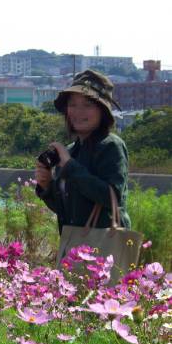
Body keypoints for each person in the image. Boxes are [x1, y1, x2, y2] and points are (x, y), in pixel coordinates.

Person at [35, 69, 131, 236]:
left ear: (103, 110)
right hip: (74, 250)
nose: (78, 112)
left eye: (87, 105)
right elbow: (66, 210)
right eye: (72, 104)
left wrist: (70, 167)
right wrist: (47, 186)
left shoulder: (110, 146)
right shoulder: (71, 150)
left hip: (103, 251)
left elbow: (112, 197)